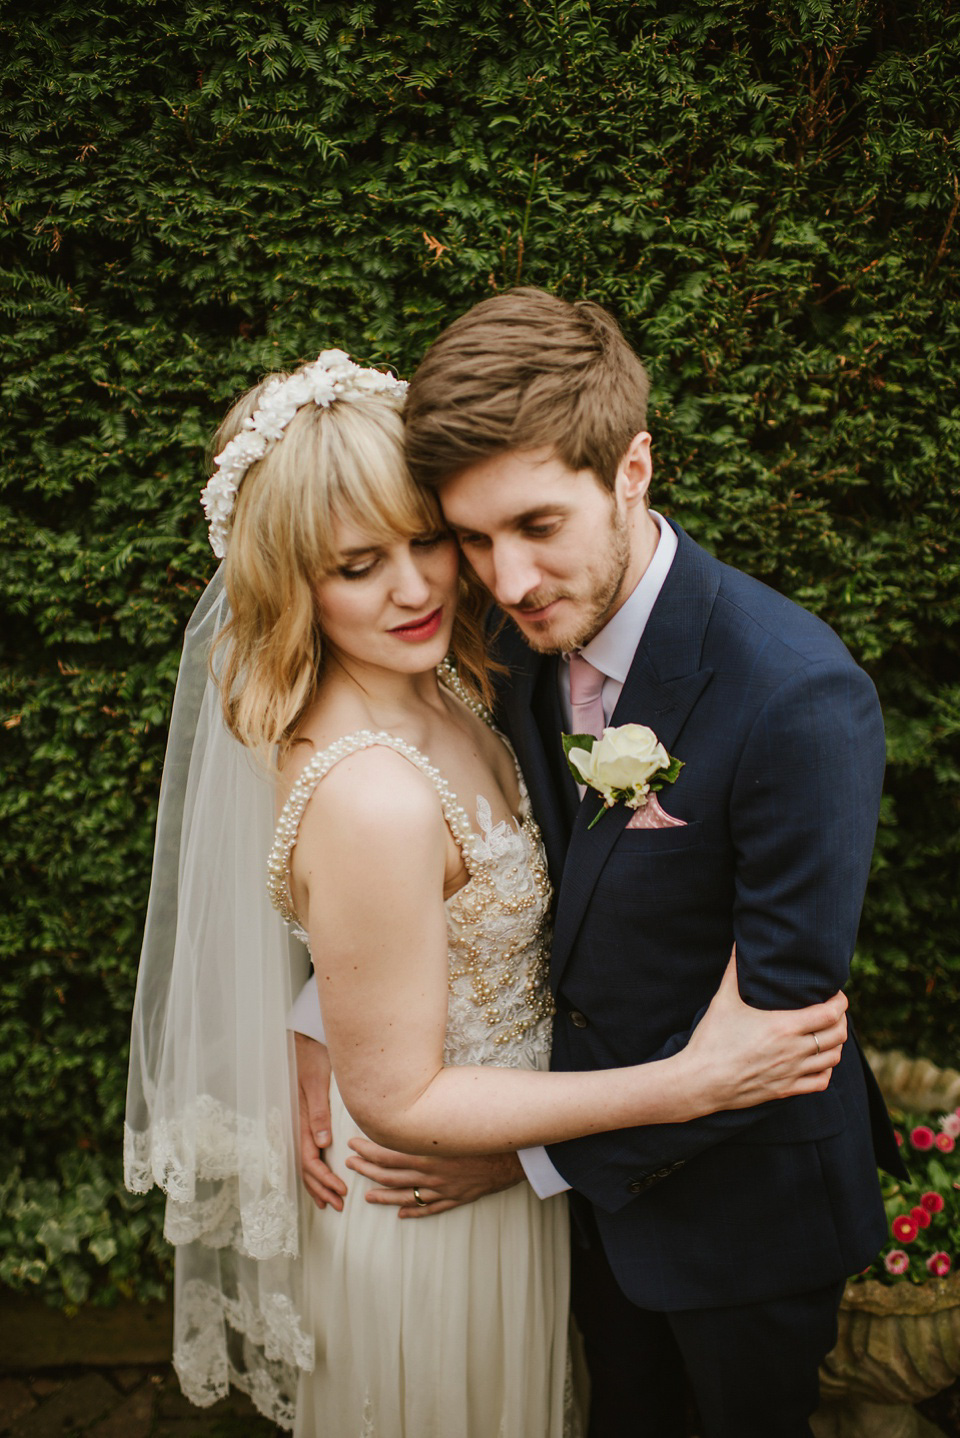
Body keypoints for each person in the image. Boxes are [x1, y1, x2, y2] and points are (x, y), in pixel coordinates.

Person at [125, 349, 850, 1438]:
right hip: (433, 1200)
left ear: (633, 470)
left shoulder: (477, 670)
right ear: (292, 580)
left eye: (428, 543)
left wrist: (330, 1014)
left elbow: (479, 916)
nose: (429, 584)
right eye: (358, 564)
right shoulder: (395, 753)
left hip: (686, 1214)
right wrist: (677, 1084)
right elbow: (404, 1055)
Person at [294, 291, 905, 1438]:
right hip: (585, 1226)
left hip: (741, 1222)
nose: (504, 576)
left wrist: (523, 1158)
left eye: (535, 524)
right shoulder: (510, 651)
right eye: (471, 537)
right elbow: (450, 867)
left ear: (632, 468)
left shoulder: (796, 697)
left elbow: (763, 1045)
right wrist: (319, 1015)